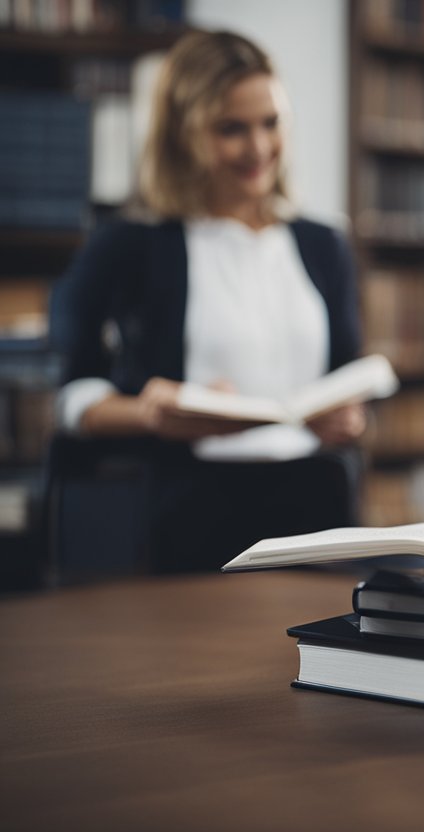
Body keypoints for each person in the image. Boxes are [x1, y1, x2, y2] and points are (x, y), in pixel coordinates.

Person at [50, 30, 365, 572]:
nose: (258, 148)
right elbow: (72, 399)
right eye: (230, 129)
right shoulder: (131, 242)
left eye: (271, 123)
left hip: (316, 507)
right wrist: (150, 414)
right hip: (191, 514)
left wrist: (349, 419)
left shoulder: (322, 243)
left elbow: (347, 379)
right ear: (183, 133)